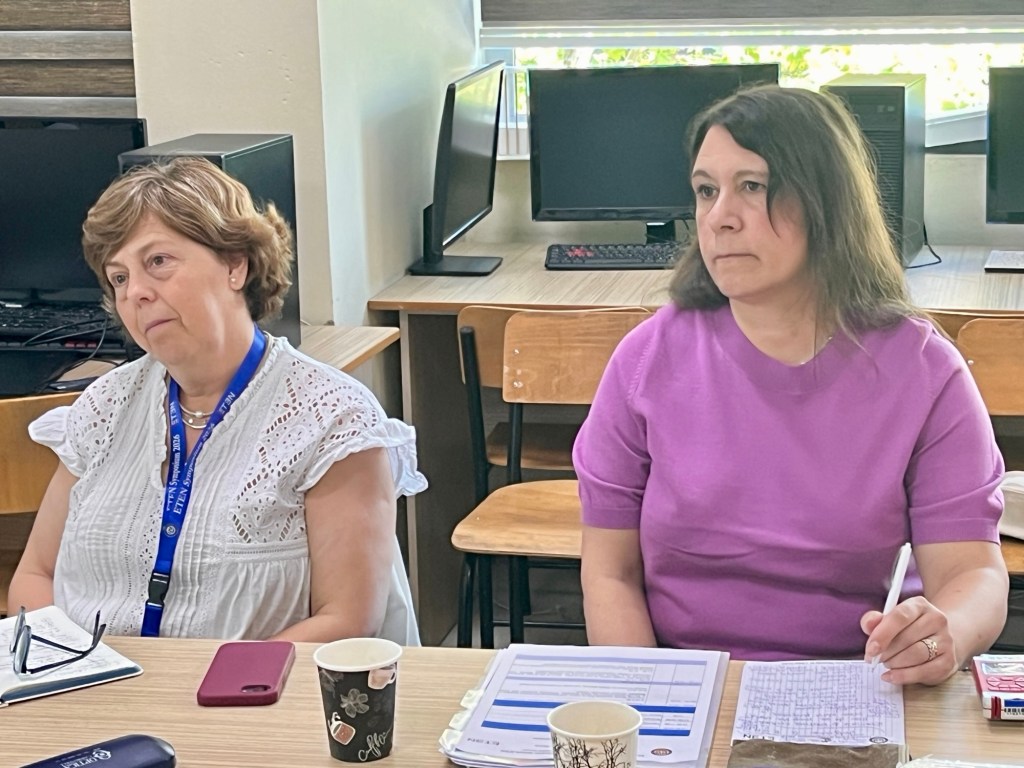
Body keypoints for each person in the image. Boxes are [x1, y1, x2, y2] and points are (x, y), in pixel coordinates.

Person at [574, 85, 1009, 685]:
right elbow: (610, 573)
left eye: (753, 187)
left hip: (864, 683)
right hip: (685, 680)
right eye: (706, 190)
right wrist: (651, 700)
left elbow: (972, 574)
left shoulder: (925, 370)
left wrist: (944, 635)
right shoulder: (646, 359)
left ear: (826, 201)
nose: (720, 217)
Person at [9, 157, 426, 644]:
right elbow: (35, 575)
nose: (136, 293)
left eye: (158, 262)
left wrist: (204, 684)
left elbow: (347, 620)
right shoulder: (104, 405)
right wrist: (77, 663)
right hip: (95, 680)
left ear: (234, 264)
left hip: (252, 686)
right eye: (119, 278)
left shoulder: (331, 418)